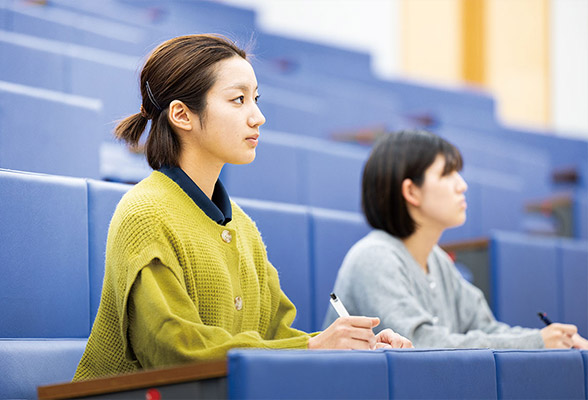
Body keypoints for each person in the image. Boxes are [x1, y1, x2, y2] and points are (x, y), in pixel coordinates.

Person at [73, 34, 411, 381]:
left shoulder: (243, 227)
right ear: (182, 115)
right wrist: (315, 347)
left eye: (256, 99)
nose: (258, 117)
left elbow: (277, 339)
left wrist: (353, 346)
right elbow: (172, 348)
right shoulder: (145, 214)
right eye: (238, 100)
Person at [323, 129, 588, 350]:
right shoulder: (374, 257)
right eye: (447, 174)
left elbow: (487, 328)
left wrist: (559, 340)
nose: (462, 185)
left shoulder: (436, 258)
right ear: (411, 191)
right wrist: (535, 343)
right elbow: (421, 345)